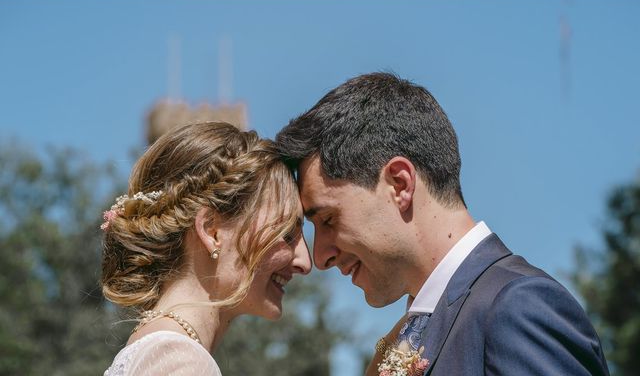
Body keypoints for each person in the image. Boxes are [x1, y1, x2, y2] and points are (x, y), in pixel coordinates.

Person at [276, 72, 609, 375]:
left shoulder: (517, 308)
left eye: (329, 219)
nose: (320, 257)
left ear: (399, 184)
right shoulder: (417, 328)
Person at [101, 121, 311, 375]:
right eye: (286, 233)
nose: (305, 262)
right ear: (212, 230)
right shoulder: (182, 362)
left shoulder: (160, 350)